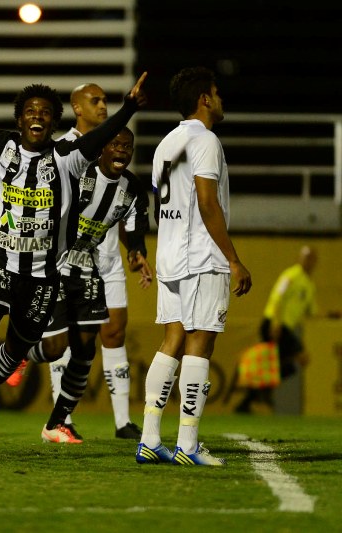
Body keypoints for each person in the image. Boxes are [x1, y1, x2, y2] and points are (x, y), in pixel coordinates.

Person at [0, 36, 147, 450]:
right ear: (20, 119)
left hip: (42, 274)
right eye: (30, 111)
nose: (37, 116)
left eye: (45, 113)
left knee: (22, 348)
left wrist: (127, 108)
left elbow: (99, 137)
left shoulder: (69, 157)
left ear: (54, 123)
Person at [8, 83, 151, 441]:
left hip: (104, 256)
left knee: (115, 331)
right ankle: (62, 417)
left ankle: (122, 422)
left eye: (106, 101)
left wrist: (136, 251)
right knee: (65, 340)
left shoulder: (124, 171)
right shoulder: (65, 150)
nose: (103, 106)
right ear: (76, 107)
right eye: (96, 101)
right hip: (66, 257)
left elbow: (125, 212)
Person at [135, 67, 252, 467]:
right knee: (200, 344)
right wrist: (233, 259)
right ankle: (188, 444)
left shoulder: (165, 144)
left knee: (172, 342)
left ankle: (150, 438)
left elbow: (159, 203)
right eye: (216, 93)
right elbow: (207, 201)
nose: (220, 99)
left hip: (170, 255)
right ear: (204, 98)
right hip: (201, 257)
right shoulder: (206, 140)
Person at [234, 246, 338, 413]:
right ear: (299, 258)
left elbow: (311, 312)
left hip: (285, 328)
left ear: (315, 262)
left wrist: (331, 315)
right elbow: (277, 297)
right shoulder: (290, 275)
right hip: (275, 323)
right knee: (300, 359)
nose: (307, 261)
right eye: (305, 257)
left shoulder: (309, 285)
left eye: (310, 258)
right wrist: (275, 322)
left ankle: (250, 400)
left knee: (282, 366)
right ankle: (260, 394)